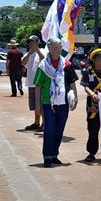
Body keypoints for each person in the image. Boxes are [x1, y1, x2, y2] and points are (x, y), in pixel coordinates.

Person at [34, 38, 78, 168]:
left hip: (63, 103)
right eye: (57, 47)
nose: (60, 49)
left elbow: (72, 82)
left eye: (60, 47)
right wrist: (37, 105)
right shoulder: (43, 66)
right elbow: (38, 86)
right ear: (50, 48)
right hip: (48, 103)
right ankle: (47, 156)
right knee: (49, 129)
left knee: (59, 130)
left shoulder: (66, 64)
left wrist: (74, 98)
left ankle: (54, 155)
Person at [21, 35, 44, 131]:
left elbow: (44, 60)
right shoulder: (28, 54)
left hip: (41, 83)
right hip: (31, 82)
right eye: (30, 43)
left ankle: (44, 123)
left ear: (37, 42)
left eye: (33, 42)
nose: (31, 44)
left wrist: (37, 50)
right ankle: (36, 122)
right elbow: (22, 63)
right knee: (35, 104)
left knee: (42, 104)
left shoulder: (43, 51)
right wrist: (29, 53)